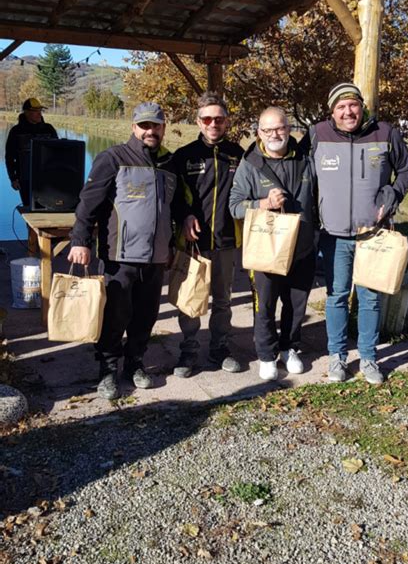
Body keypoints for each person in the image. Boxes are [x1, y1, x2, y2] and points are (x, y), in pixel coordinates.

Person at [68, 102, 189, 400]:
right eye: (144, 125)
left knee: (146, 315)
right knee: (115, 314)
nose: (150, 130)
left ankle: (135, 363)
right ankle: (107, 369)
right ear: (134, 127)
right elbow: (88, 204)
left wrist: (179, 231)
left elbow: (175, 207)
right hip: (119, 256)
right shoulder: (113, 158)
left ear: (163, 127)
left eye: (156, 125)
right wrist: (79, 241)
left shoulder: (169, 163)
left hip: (157, 257)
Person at [307, 81, 408, 384]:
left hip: (373, 235)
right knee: (336, 296)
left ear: (361, 106)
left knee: (369, 299)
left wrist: (392, 195)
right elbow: (305, 177)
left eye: (353, 105)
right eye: (341, 107)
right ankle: (337, 358)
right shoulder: (318, 135)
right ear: (332, 111)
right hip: (333, 234)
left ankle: (369, 358)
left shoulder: (385, 133)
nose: (348, 111)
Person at [229, 106, 317, 381]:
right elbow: (234, 206)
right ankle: (267, 355)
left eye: (280, 128)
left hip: (302, 246)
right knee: (264, 305)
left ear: (289, 129)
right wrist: (263, 204)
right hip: (266, 249)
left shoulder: (306, 158)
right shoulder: (250, 164)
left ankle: (290, 347)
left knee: (296, 304)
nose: (274, 134)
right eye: (268, 130)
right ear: (259, 133)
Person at [173, 91, 244, 377]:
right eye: (207, 118)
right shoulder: (184, 156)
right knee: (191, 298)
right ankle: (188, 351)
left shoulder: (239, 154)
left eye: (219, 119)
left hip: (226, 240)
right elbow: (173, 196)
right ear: (199, 121)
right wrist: (184, 215)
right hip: (194, 242)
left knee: (223, 300)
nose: (213, 123)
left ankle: (220, 349)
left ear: (226, 122)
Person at [5, 97, 58, 206]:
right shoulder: (16, 131)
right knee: (30, 210)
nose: (39, 114)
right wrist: (13, 178)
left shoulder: (49, 129)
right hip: (25, 179)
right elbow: (9, 157)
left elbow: (58, 152)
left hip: (47, 179)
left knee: (49, 209)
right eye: (36, 112)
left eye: (40, 111)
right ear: (27, 113)